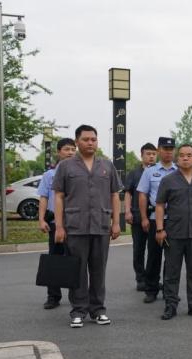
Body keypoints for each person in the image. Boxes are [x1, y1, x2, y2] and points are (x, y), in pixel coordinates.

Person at [53, 124, 122, 328]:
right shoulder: (66, 166)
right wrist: (59, 226)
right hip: (75, 226)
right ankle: (78, 311)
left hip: (101, 225)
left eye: (93, 139)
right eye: (86, 139)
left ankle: (98, 310)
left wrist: (117, 222)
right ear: (77, 142)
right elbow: (59, 197)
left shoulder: (107, 166)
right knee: (78, 270)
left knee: (99, 269)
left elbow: (115, 195)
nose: (90, 143)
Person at [154, 144, 192, 320]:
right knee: (171, 273)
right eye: (182, 155)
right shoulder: (168, 180)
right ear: (177, 158)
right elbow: (160, 205)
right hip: (174, 233)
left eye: (189, 155)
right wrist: (159, 229)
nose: (185, 158)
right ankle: (170, 306)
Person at [37, 137, 76, 309]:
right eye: (67, 149)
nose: (70, 153)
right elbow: (44, 197)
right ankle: (53, 296)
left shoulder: (80, 172)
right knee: (54, 259)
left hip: (75, 223)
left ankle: (76, 297)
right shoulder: (49, 175)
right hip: (55, 223)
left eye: (73, 149)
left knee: (75, 260)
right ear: (58, 152)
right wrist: (41, 219)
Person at [137, 137, 177, 304]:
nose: (168, 152)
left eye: (171, 149)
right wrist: (144, 217)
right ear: (159, 150)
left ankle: (169, 291)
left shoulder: (179, 170)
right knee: (154, 256)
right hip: (155, 218)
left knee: (173, 257)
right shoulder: (149, 172)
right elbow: (142, 195)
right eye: (165, 149)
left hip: (175, 220)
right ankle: (151, 289)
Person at [124, 143, 157, 291]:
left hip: (155, 216)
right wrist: (127, 211)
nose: (151, 156)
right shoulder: (134, 173)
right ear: (142, 155)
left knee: (154, 250)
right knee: (138, 249)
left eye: (153, 154)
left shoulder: (159, 171)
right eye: (148, 154)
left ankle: (152, 279)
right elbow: (128, 193)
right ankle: (140, 278)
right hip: (137, 216)